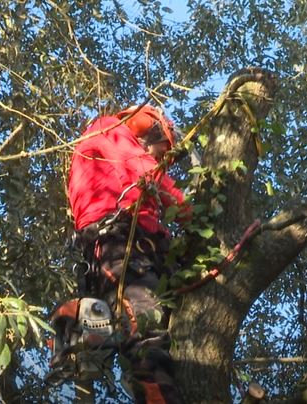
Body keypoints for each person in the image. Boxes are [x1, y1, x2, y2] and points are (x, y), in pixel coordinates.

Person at [64, 104, 190, 403]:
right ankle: (157, 393)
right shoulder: (112, 133)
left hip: (134, 245)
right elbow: (154, 178)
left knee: (173, 309)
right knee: (146, 330)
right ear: (152, 133)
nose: (162, 161)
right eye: (163, 152)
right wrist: (192, 213)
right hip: (120, 246)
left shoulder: (112, 152)